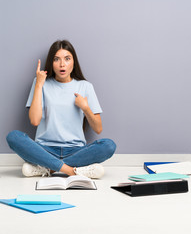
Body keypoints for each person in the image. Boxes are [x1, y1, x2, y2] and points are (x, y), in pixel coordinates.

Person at [6, 40, 116, 179]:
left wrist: (85, 108)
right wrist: (39, 85)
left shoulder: (85, 86)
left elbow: (98, 128)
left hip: (76, 151)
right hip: (44, 149)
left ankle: (47, 168)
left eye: (67, 59)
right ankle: (72, 171)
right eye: (56, 59)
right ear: (51, 63)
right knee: (13, 137)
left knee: (109, 145)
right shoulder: (40, 83)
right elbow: (34, 120)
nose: (62, 64)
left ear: (73, 62)